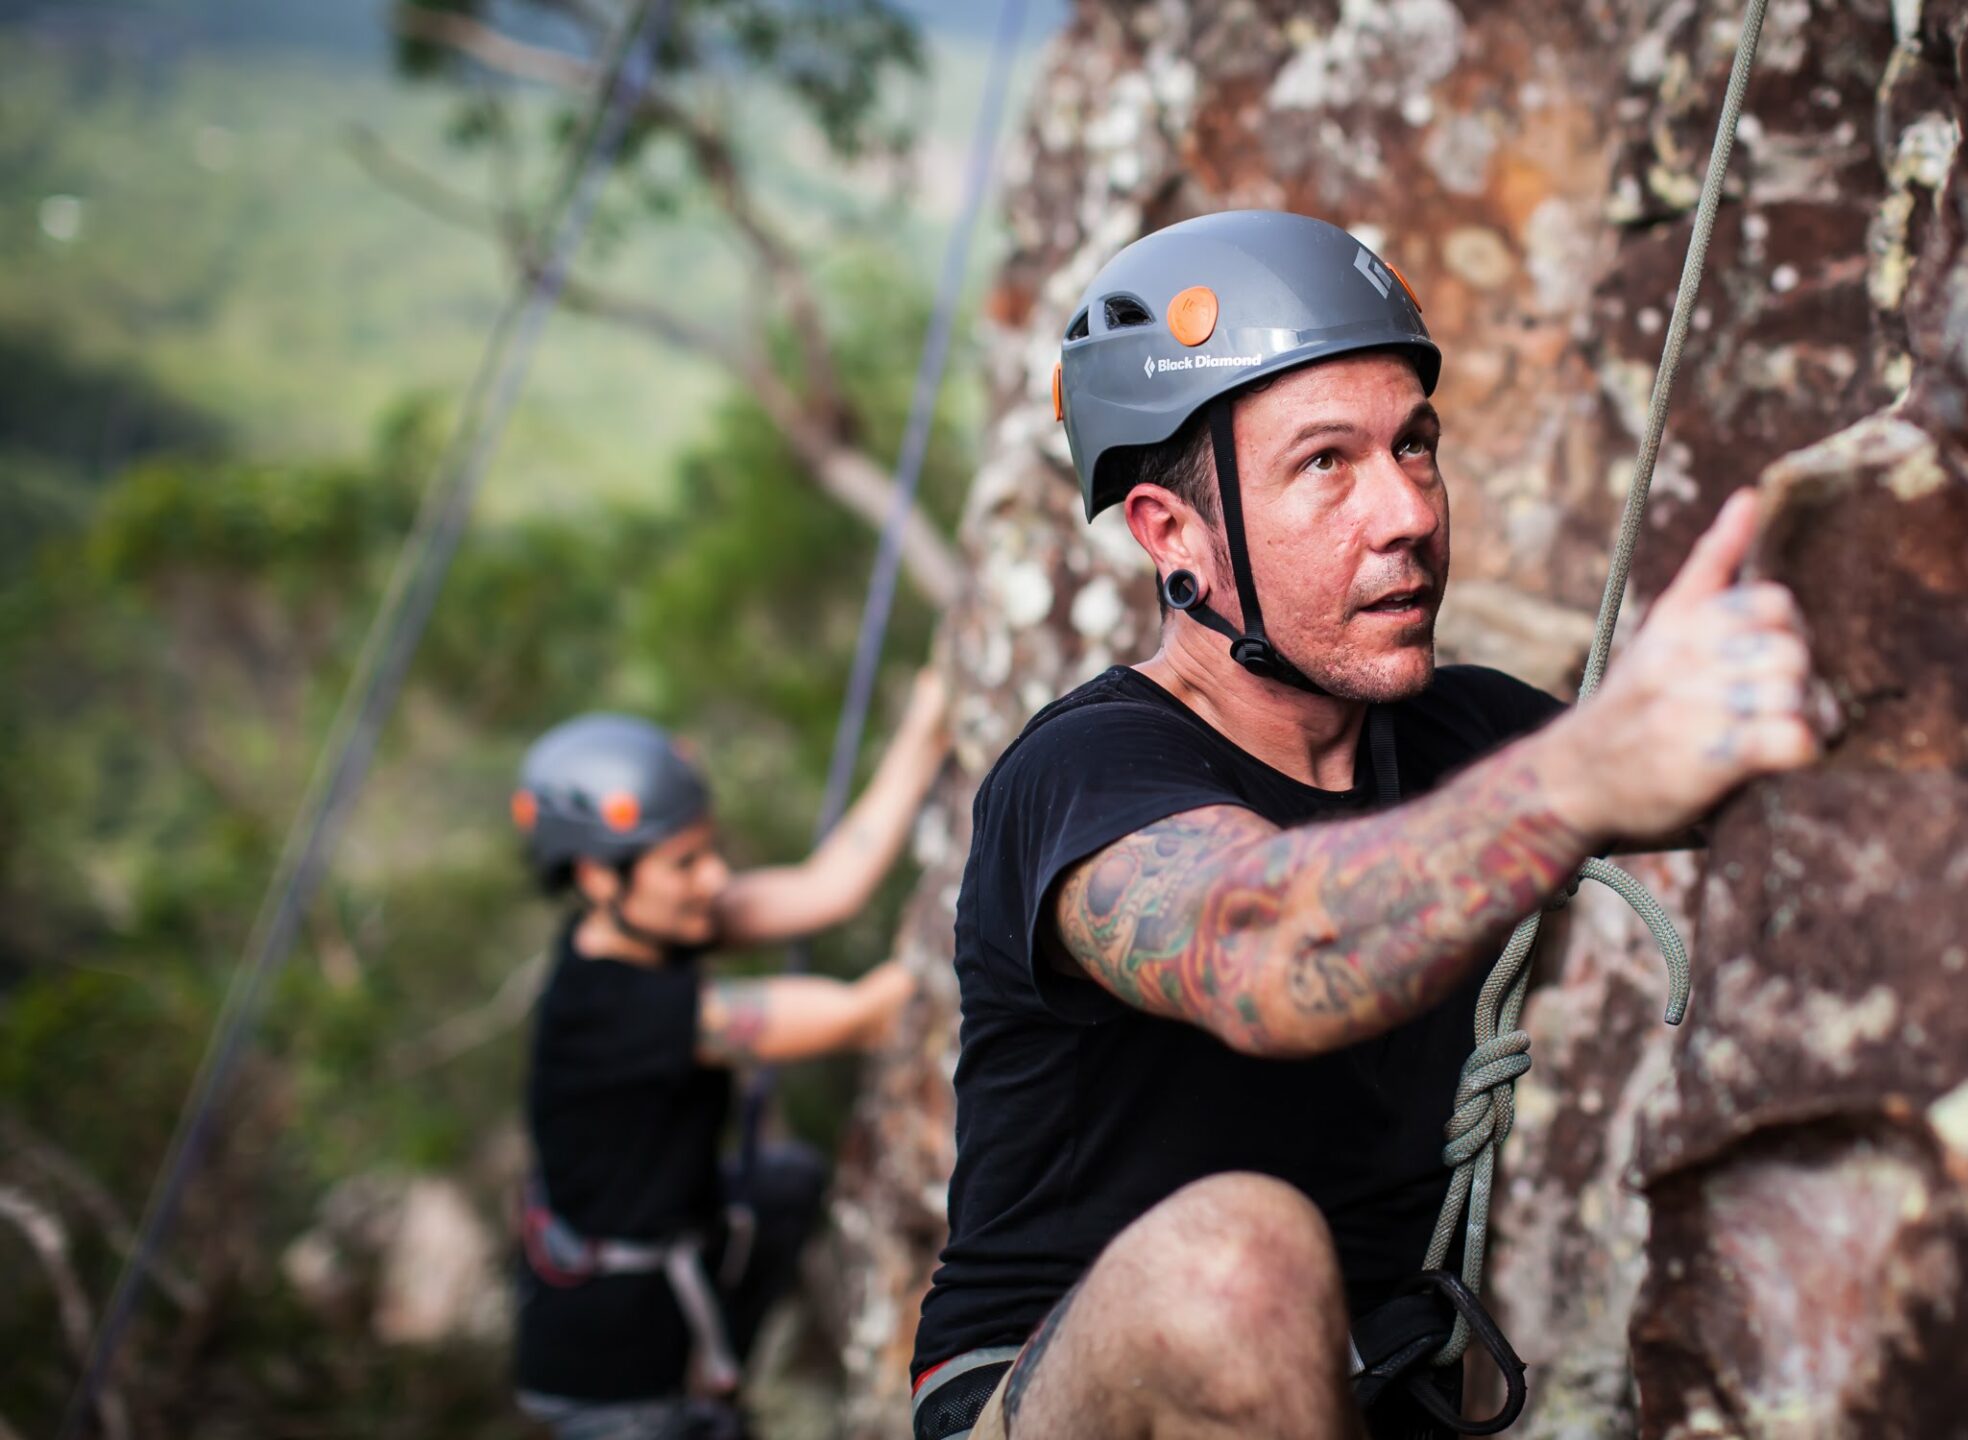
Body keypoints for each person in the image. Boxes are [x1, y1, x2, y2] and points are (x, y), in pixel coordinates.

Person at [907, 210, 1819, 1440]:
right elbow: (1266, 954)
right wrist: (1575, 783)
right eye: (1325, 463)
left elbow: (1794, 793)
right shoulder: (1083, 775)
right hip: (1054, 1393)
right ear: (1171, 534)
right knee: (1237, 1265)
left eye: (1416, 446)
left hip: (1360, 1394)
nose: (1405, 512)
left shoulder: (1460, 734)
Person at [509, 673, 949, 1440]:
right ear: (596, 878)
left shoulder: (654, 927)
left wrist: (926, 730)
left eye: (707, 851)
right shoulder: (606, 1010)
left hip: (670, 1307)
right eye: (684, 863)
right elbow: (863, 1015)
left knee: (788, 1177)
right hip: (615, 1384)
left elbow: (826, 889)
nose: (712, 878)